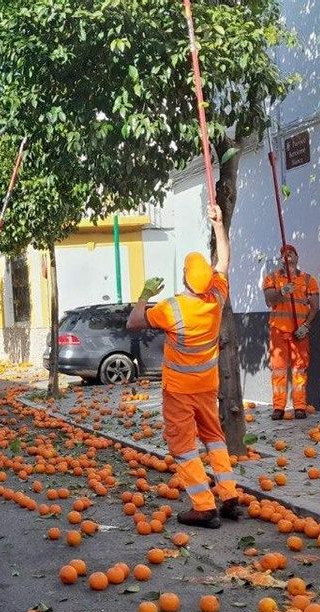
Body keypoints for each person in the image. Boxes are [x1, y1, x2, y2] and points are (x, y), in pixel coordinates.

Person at [126, 205, 237, 528]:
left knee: (184, 447)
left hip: (179, 391)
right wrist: (219, 225)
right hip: (207, 385)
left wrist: (145, 294)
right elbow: (224, 261)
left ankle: (204, 507)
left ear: (185, 277)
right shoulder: (216, 298)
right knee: (215, 439)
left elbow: (133, 322)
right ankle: (229, 496)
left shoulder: (171, 308)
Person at [261, 245, 319, 420]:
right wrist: (283, 291)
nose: (287, 257)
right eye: (284, 255)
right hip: (278, 331)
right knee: (278, 370)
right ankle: (278, 407)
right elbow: (269, 301)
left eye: (290, 254)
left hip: (299, 332)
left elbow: (315, 307)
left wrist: (306, 326)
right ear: (281, 260)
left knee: (299, 369)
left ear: (297, 257)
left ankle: (299, 406)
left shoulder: (309, 280)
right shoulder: (271, 278)